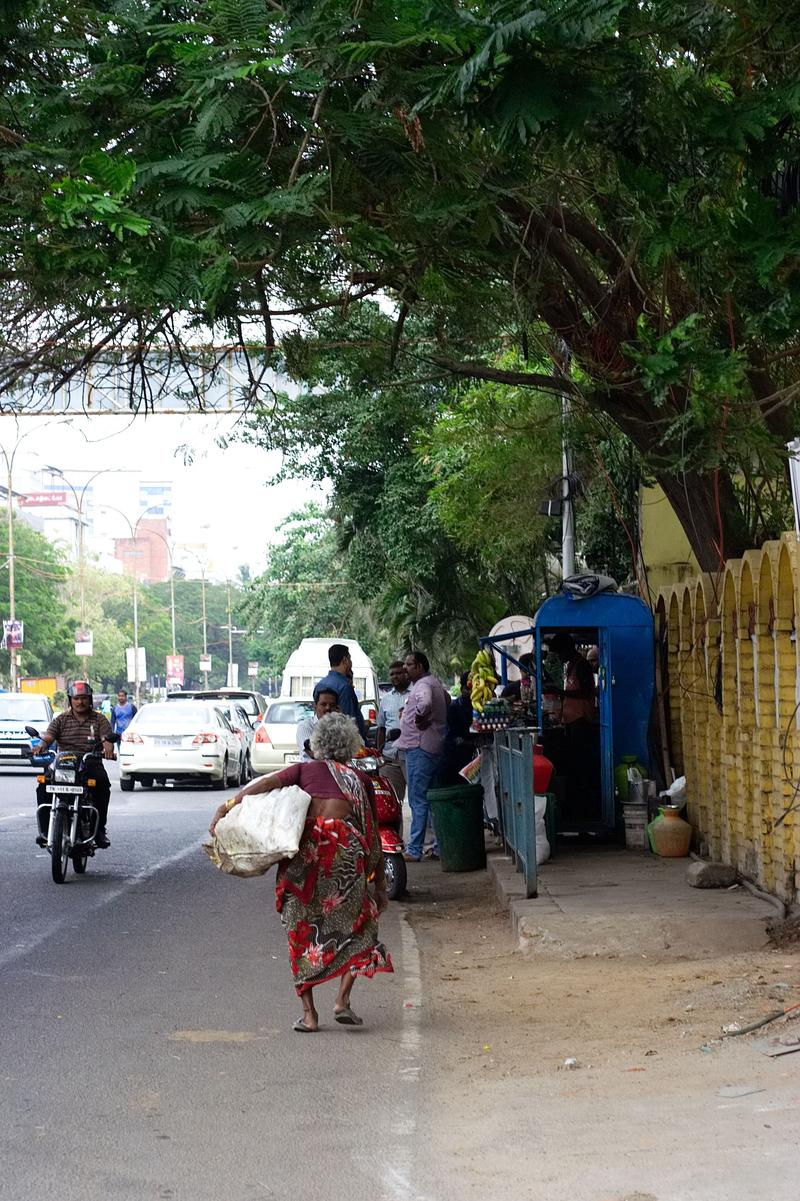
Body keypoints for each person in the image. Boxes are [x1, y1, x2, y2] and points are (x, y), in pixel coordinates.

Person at [209, 712, 393, 1032]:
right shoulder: (359, 780)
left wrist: (228, 805)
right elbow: (371, 832)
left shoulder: (304, 769)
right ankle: (342, 1001)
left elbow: (264, 783)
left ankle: (309, 1015)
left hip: (305, 861)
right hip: (343, 856)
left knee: (299, 931)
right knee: (361, 926)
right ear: (350, 746)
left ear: (317, 745)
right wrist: (379, 883)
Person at [34, 681, 116, 848]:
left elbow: (106, 740)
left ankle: (99, 829)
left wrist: (108, 749)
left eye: (84, 698)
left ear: (90, 699)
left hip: (90, 762)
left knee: (102, 785)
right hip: (63, 763)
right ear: (70, 699)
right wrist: (41, 746)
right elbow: (49, 737)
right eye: (77, 698)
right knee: (43, 786)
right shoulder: (61, 719)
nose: (80, 702)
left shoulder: (99, 719)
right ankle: (44, 831)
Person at [396, 650, 449, 862]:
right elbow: (446, 699)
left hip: (420, 747)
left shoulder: (423, 685)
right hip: (433, 746)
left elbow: (426, 702)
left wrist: (420, 715)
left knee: (418, 799)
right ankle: (438, 846)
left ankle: (415, 849)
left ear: (419, 666)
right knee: (433, 798)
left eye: (409, 665)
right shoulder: (435, 683)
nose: (405, 668)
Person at [312, 644, 367, 740]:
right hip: (344, 744)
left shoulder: (319, 685)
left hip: (323, 740)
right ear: (345, 660)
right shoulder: (345, 687)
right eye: (350, 658)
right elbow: (349, 723)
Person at [375, 659, 410, 797]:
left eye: (399, 673)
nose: (395, 676)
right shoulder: (386, 699)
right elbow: (381, 728)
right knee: (392, 799)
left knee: (417, 797)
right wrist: (380, 753)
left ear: (406, 673)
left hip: (410, 755)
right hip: (390, 756)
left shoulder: (416, 694)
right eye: (392, 674)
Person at [442, 672, 476, 784]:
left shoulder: (481, 705)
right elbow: (450, 737)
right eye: (468, 689)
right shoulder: (453, 708)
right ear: (462, 689)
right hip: (457, 759)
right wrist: (470, 744)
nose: (472, 692)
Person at [295, 689, 339, 761]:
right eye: (323, 704)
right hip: (313, 769)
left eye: (332, 705)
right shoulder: (305, 726)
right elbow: (314, 753)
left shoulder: (342, 726)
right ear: (315, 707)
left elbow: (358, 749)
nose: (328, 708)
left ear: (337, 708)